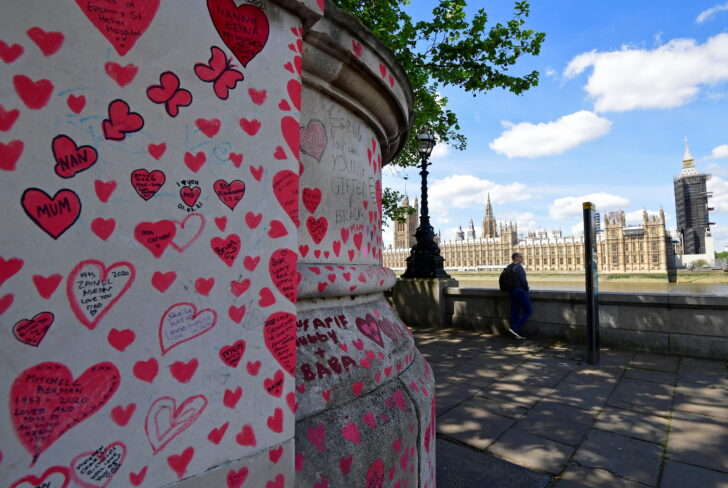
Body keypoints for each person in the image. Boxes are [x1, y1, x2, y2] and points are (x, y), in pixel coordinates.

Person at [508, 252, 531, 340]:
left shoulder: (510, 266)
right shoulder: (518, 267)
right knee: (528, 310)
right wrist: (526, 289)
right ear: (516, 258)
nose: (522, 258)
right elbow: (523, 280)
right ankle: (515, 328)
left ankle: (514, 332)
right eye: (521, 257)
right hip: (520, 291)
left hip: (512, 291)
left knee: (515, 311)